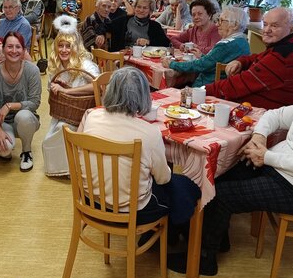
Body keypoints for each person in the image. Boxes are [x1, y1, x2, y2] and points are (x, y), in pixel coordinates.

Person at [169, 53, 293, 276]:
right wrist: (259, 139)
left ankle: (204, 260)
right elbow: (273, 116)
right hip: (287, 172)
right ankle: (213, 238)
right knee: (218, 174)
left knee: (223, 194)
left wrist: (266, 157)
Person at [78, 67, 201, 226]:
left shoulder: (92, 116)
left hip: (91, 199)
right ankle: (178, 234)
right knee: (187, 187)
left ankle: (171, 234)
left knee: (166, 184)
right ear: (143, 95)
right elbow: (163, 178)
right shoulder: (150, 132)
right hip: (134, 211)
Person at [205, 7, 293, 109]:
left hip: (267, 116)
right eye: (265, 24)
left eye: (274, 26)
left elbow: (239, 84)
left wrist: (203, 90)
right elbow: (260, 57)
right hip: (261, 109)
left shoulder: (282, 56)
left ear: (292, 28)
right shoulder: (292, 46)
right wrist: (241, 62)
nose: (267, 30)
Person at [42, 16, 100, 177]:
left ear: (75, 47)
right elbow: (50, 89)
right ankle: (61, 168)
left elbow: (98, 85)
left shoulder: (84, 64)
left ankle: (71, 169)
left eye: (69, 46)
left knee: (62, 130)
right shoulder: (56, 66)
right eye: (61, 46)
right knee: (49, 138)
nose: (64, 50)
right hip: (64, 111)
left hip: (83, 113)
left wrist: (67, 91)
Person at [0, 32, 42, 172]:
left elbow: (35, 102)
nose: (14, 51)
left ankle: (26, 152)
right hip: (2, 122)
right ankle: (6, 143)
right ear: (3, 49)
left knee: (23, 116)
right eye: (10, 46)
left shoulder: (32, 70)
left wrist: (9, 106)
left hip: (26, 120)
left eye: (18, 47)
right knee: (4, 151)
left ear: (24, 50)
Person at [161, 7, 251, 87]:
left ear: (235, 25)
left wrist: (172, 64)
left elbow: (200, 65)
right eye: (218, 20)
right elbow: (215, 62)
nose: (217, 24)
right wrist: (202, 56)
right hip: (226, 86)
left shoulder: (226, 45)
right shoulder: (243, 42)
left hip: (207, 88)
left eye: (222, 21)